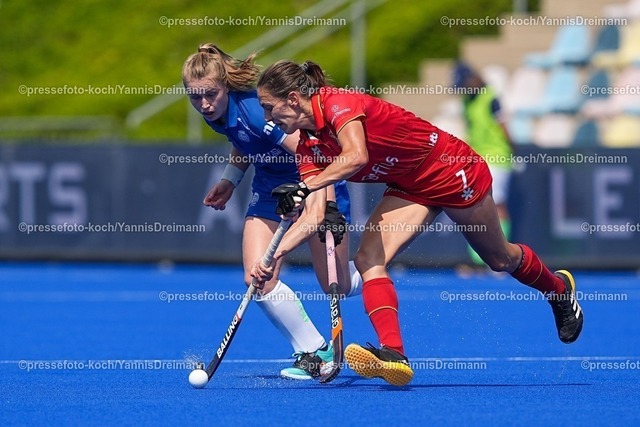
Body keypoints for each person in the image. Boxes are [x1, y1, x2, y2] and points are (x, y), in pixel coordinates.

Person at [252, 60, 584, 387]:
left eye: (269, 108)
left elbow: (356, 156)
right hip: (410, 187)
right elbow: (313, 215)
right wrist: (272, 256)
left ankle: (558, 290)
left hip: (450, 169)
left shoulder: (339, 104)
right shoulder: (307, 147)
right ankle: (394, 354)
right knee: (368, 259)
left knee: (500, 259)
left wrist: (305, 186)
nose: (267, 118)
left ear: (292, 99)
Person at [182, 45, 362, 380]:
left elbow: (311, 151)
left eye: (210, 95)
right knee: (257, 276)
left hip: (315, 183)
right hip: (269, 192)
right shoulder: (216, 115)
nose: (203, 104)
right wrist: (230, 180)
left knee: (335, 284)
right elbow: (243, 143)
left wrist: (323, 202)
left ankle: (371, 268)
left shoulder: (255, 111)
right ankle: (314, 352)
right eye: (195, 97)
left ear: (225, 86)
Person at [453, 62, 515, 275]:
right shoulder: (467, 102)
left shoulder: (491, 98)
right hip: (478, 159)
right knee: (475, 206)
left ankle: (502, 258)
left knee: (497, 205)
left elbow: (503, 127)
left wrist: (514, 149)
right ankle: (479, 259)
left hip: (498, 158)